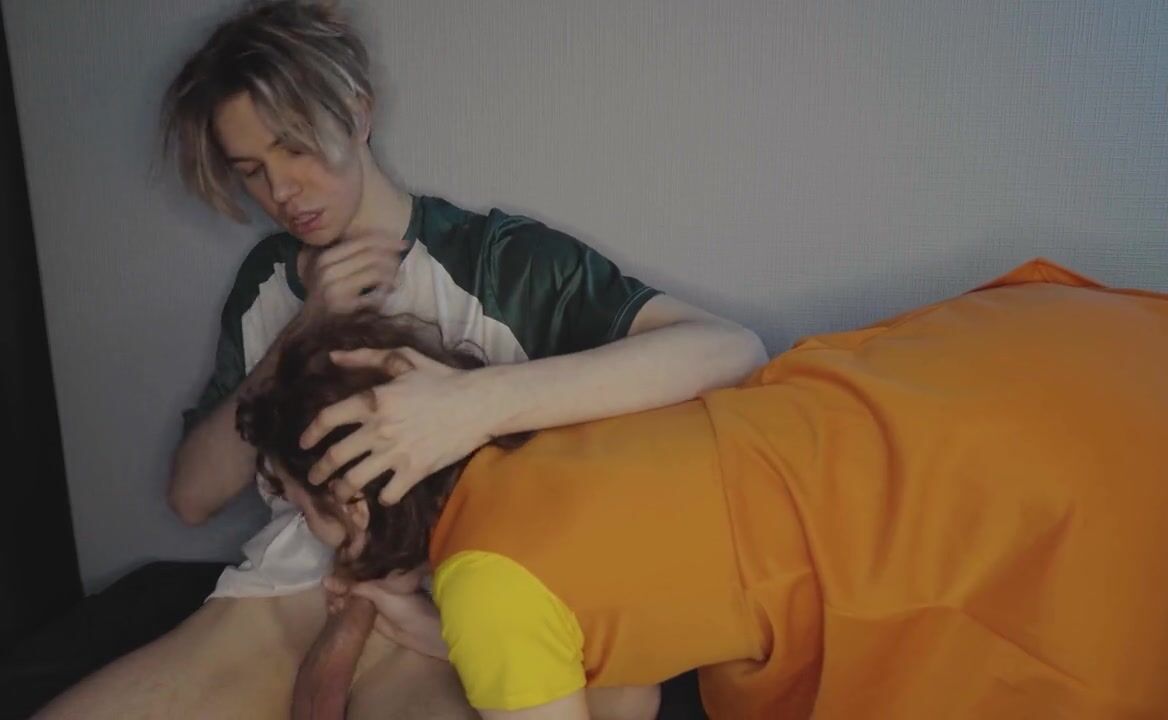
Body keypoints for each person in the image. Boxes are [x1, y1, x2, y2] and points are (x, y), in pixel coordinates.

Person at [35, 1, 763, 718]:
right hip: (284, 600)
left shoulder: (497, 263)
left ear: (357, 113)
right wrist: (301, 328)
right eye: (251, 170)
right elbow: (192, 498)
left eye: (295, 148)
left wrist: (474, 404)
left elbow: (729, 350)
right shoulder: (268, 282)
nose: (280, 192)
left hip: (448, 609)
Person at [242, 260, 1168, 719]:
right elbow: (623, 664)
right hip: (1017, 369)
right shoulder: (561, 428)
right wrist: (453, 631)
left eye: (295, 501)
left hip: (1005, 502)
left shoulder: (489, 587)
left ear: (351, 504)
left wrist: (473, 639)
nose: (301, 526)